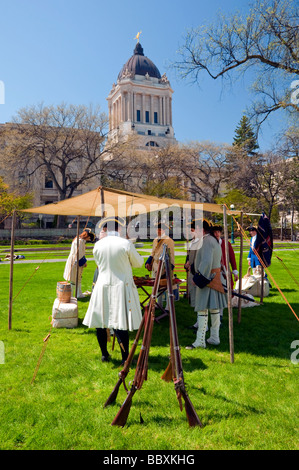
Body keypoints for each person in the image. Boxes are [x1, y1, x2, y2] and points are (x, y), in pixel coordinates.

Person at [83, 217, 144, 364]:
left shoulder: (98, 245)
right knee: (120, 322)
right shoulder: (125, 243)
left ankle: (105, 354)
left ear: (105, 230)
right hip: (120, 285)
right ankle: (125, 358)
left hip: (102, 284)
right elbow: (138, 263)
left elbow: (99, 264)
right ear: (119, 229)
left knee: (101, 322)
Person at [186, 220, 227, 349]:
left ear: (201, 229)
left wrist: (198, 279)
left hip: (207, 279)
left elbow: (206, 262)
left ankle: (200, 341)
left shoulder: (206, 241)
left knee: (202, 310)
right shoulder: (211, 240)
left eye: (194, 230)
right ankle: (214, 337)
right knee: (214, 310)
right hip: (213, 278)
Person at [145, 222, 175, 311]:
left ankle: (168, 307)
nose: (158, 231)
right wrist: (148, 261)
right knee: (156, 286)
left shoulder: (169, 240)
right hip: (155, 265)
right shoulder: (155, 240)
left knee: (166, 287)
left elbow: (171, 255)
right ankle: (159, 304)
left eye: (160, 229)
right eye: (157, 229)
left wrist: (169, 267)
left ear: (164, 230)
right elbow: (153, 252)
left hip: (164, 265)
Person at [212, 224, 238, 324]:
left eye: (218, 232)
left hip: (224, 273)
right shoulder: (210, 244)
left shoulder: (226, 243)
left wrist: (235, 272)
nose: (217, 234)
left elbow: (232, 258)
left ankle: (221, 316)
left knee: (224, 294)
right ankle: (215, 316)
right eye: (214, 232)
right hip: (214, 273)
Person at [63, 228, 95, 298]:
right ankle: (71, 295)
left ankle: (78, 293)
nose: (88, 240)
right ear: (87, 236)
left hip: (76, 260)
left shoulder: (81, 240)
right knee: (74, 279)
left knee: (78, 278)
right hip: (75, 261)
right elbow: (79, 254)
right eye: (89, 238)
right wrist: (83, 262)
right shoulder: (79, 241)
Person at [184, 220, 202, 329]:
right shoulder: (192, 241)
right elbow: (189, 255)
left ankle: (202, 322)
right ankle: (198, 321)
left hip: (198, 272)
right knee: (195, 297)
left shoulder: (201, 242)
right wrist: (187, 262)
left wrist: (193, 266)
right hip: (192, 272)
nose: (191, 232)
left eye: (192, 230)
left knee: (200, 298)